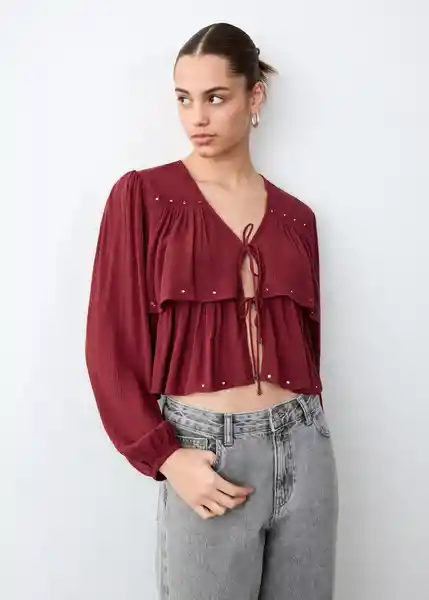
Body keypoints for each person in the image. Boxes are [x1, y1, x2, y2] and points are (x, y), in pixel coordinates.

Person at [85, 21, 339, 600]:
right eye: (184, 98)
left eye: (216, 97)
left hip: (306, 445)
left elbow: (309, 349)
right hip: (207, 454)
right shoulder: (143, 198)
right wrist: (168, 457)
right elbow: (109, 345)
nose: (196, 117)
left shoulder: (297, 218)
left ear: (255, 97)